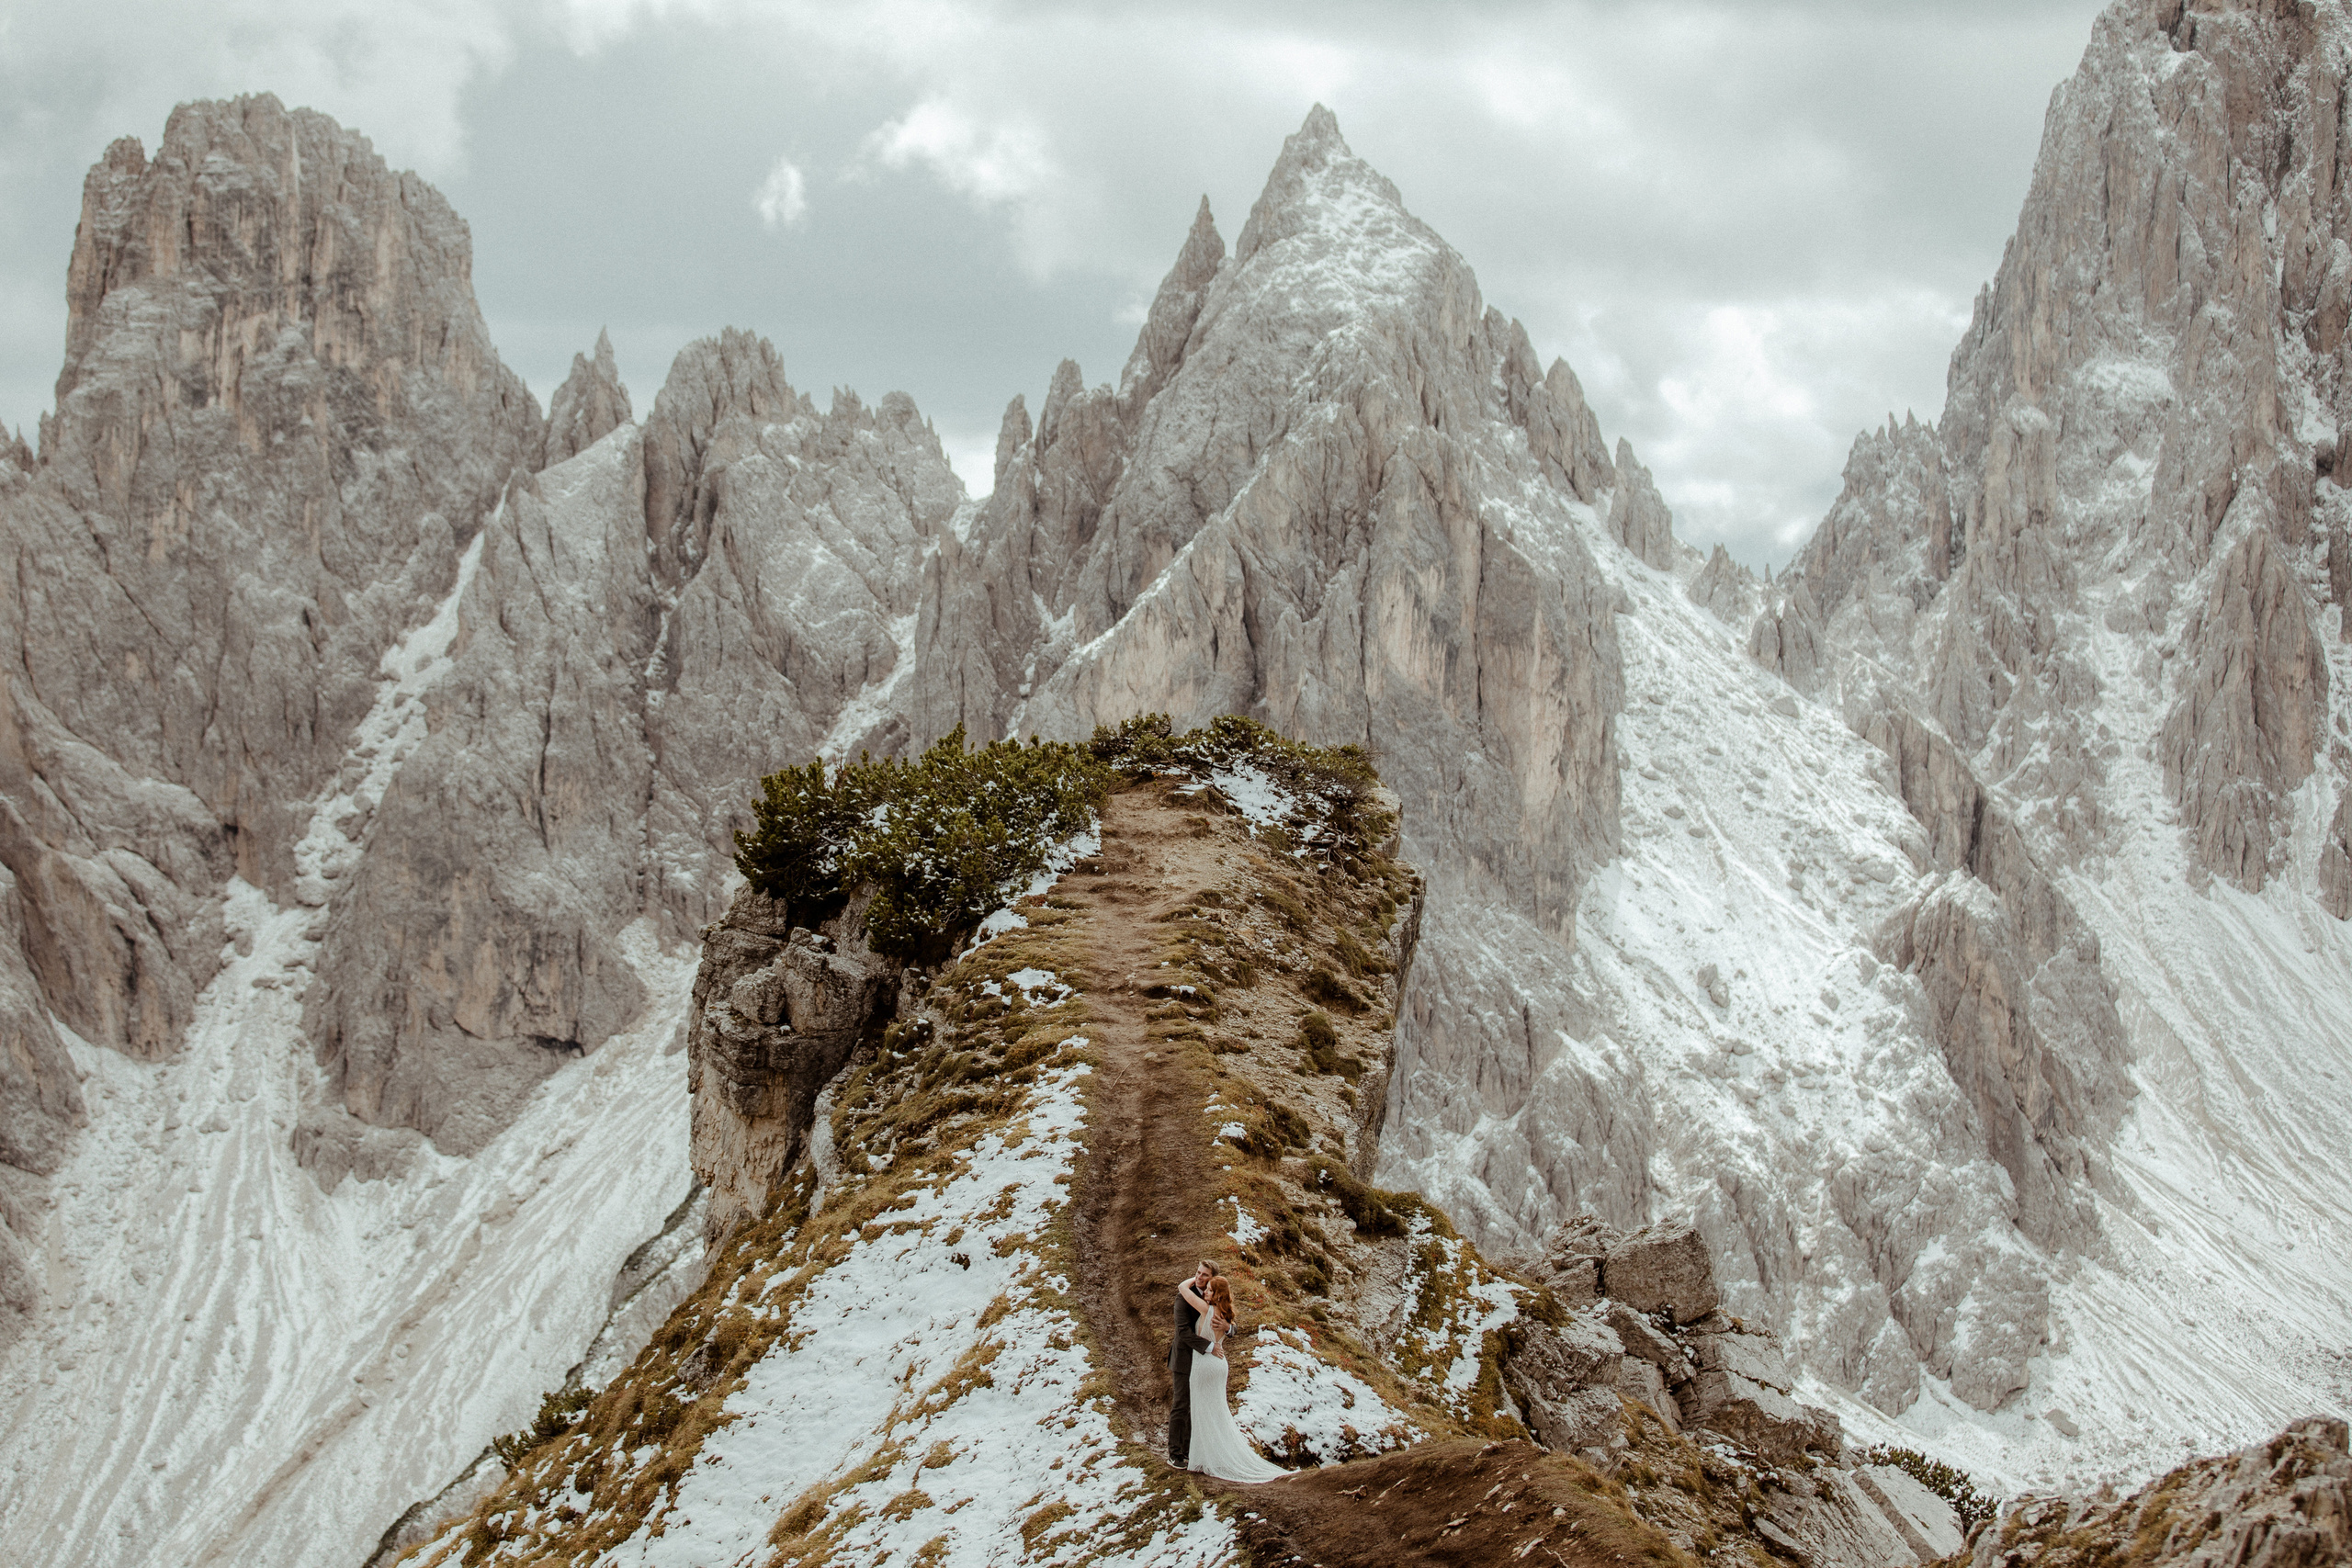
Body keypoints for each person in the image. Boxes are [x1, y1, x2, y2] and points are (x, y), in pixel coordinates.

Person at [1182, 1275, 1290, 1483]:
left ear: (1218, 1294)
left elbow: (1181, 1288)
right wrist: (1227, 1327)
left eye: (1209, 1289)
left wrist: (1195, 1278)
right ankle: (1214, 1456)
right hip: (1219, 1365)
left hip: (1205, 1365)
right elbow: (1232, 1329)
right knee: (1217, 1410)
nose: (1205, 1291)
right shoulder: (1225, 1314)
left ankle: (1204, 1459)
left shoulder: (1207, 1309)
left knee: (1202, 1409)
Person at [1169, 1262, 1217, 1467]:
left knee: (1195, 1405)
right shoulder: (1183, 1296)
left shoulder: (1214, 1295)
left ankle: (1189, 1450)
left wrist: (1229, 1329)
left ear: (1212, 1278)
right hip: (1184, 1359)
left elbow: (1229, 1314)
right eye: (1197, 1272)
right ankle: (1175, 1454)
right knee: (1181, 1405)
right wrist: (1210, 1347)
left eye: (1204, 1275)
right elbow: (1183, 1332)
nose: (1199, 1277)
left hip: (1202, 1362)